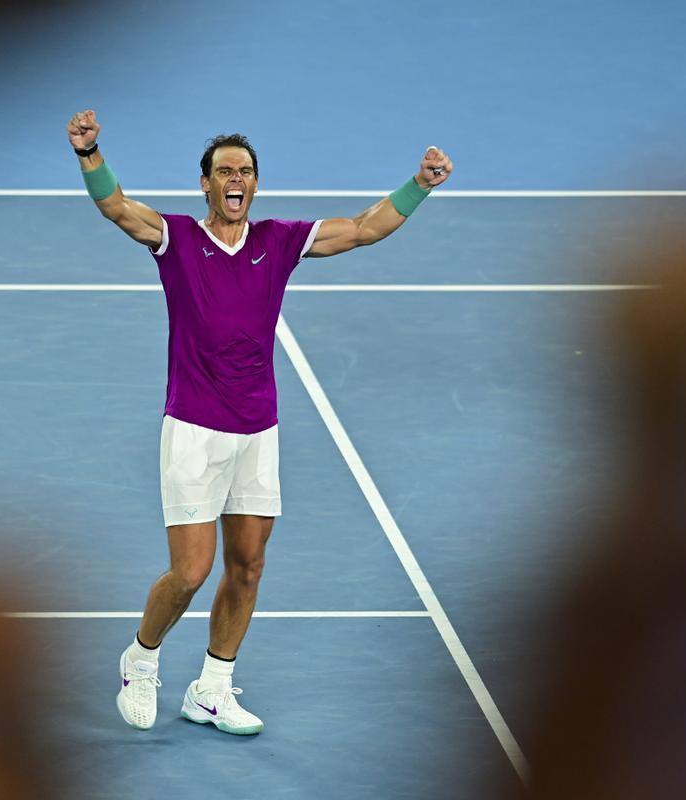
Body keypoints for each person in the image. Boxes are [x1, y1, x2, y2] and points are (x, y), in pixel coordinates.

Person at [66, 109, 453, 735]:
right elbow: (118, 209)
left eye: (245, 171)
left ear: (254, 183)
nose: (236, 179)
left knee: (247, 566)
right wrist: (91, 154)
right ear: (206, 185)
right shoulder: (177, 240)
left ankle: (212, 688)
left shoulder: (278, 241)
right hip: (193, 428)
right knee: (191, 572)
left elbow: (361, 229)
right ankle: (141, 657)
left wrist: (420, 184)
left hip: (258, 430)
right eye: (224, 171)